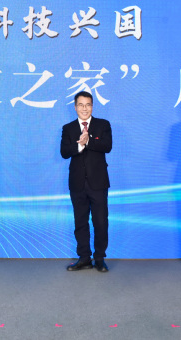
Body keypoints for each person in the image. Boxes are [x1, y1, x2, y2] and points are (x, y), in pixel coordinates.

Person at [60, 91, 112, 272]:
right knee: (80, 222)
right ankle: (84, 258)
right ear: (75, 107)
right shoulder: (68, 128)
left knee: (100, 222)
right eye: (81, 105)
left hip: (98, 183)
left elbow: (107, 146)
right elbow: (64, 152)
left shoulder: (103, 125)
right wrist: (79, 145)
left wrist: (88, 141)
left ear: (92, 106)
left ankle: (99, 258)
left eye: (88, 104)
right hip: (77, 183)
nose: (84, 108)